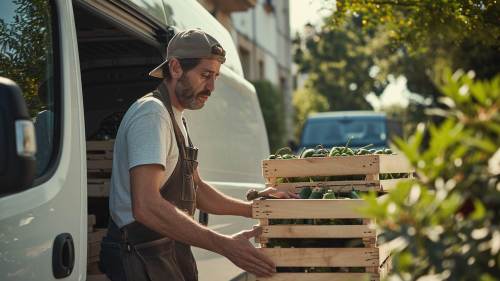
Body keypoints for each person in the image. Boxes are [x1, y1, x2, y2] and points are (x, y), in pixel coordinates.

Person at [99, 29, 294, 281]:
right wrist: (225, 245)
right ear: (176, 67)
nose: (212, 87)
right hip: (140, 257)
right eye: (205, 75)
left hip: (164, 253)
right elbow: (146, 206)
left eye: (215, 77)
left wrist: (253, 209)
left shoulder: (176, 117)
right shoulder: (152, 114)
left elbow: (197, 188)